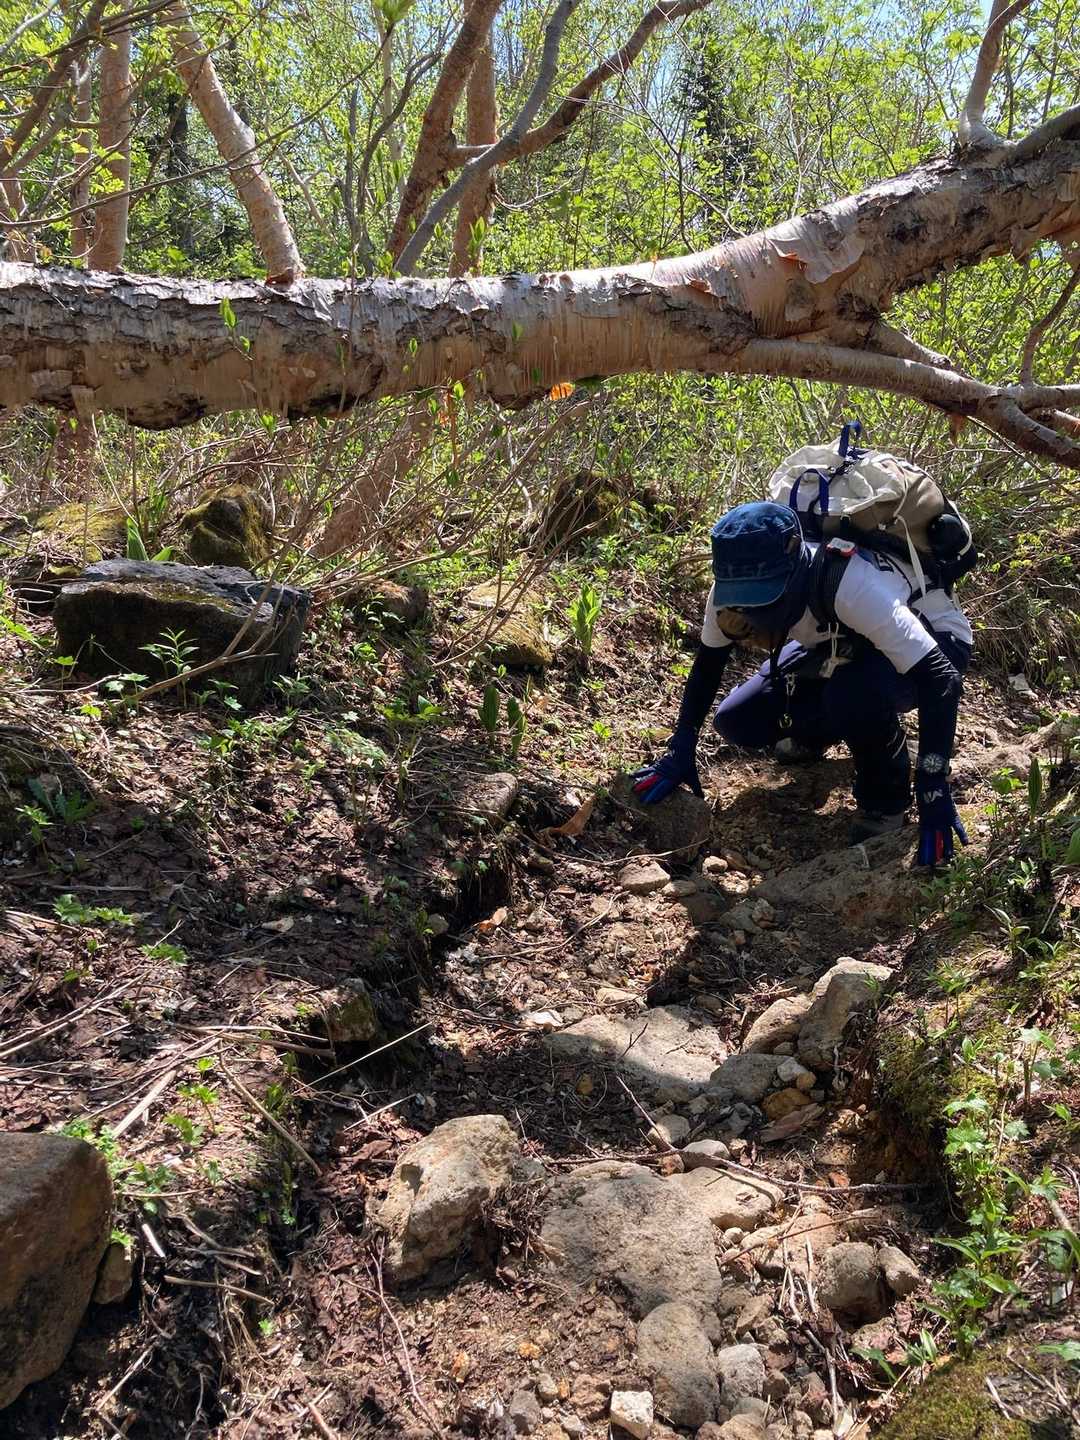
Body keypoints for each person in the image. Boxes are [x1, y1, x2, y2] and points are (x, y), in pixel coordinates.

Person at [631, 500, 973, 866]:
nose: (751, 616)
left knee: (852, 694)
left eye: (763, 600)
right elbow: (707, 667)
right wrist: (681, 745)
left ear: (795, 572)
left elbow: (941, 678)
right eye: (742, 606)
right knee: (739, 720)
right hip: (840, 640)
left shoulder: (851, 583)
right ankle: (824, 732)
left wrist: (933, 783)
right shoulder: (729, 591)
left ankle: (884, 799)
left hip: (936, 639)